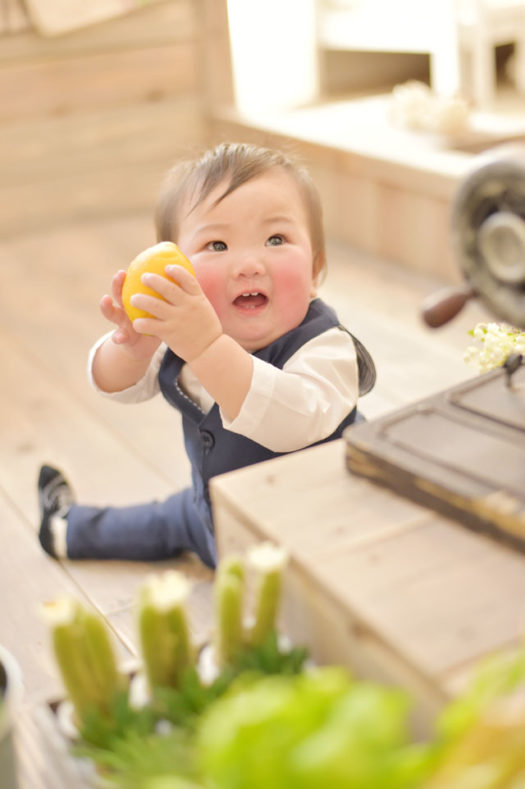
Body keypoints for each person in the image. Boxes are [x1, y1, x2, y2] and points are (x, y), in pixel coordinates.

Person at [37, 142, 375, 569]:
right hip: (216, 513)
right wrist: (132, 348)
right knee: (163, 518)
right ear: (173, 269)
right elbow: (115, 387)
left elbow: (294, 422)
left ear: (315, 271)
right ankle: (65, 529)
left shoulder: (325, 346)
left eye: (276, 239)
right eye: (217, 245)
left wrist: (207, 348)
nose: (249, 264)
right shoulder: (181, 335)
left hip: (315, 535)